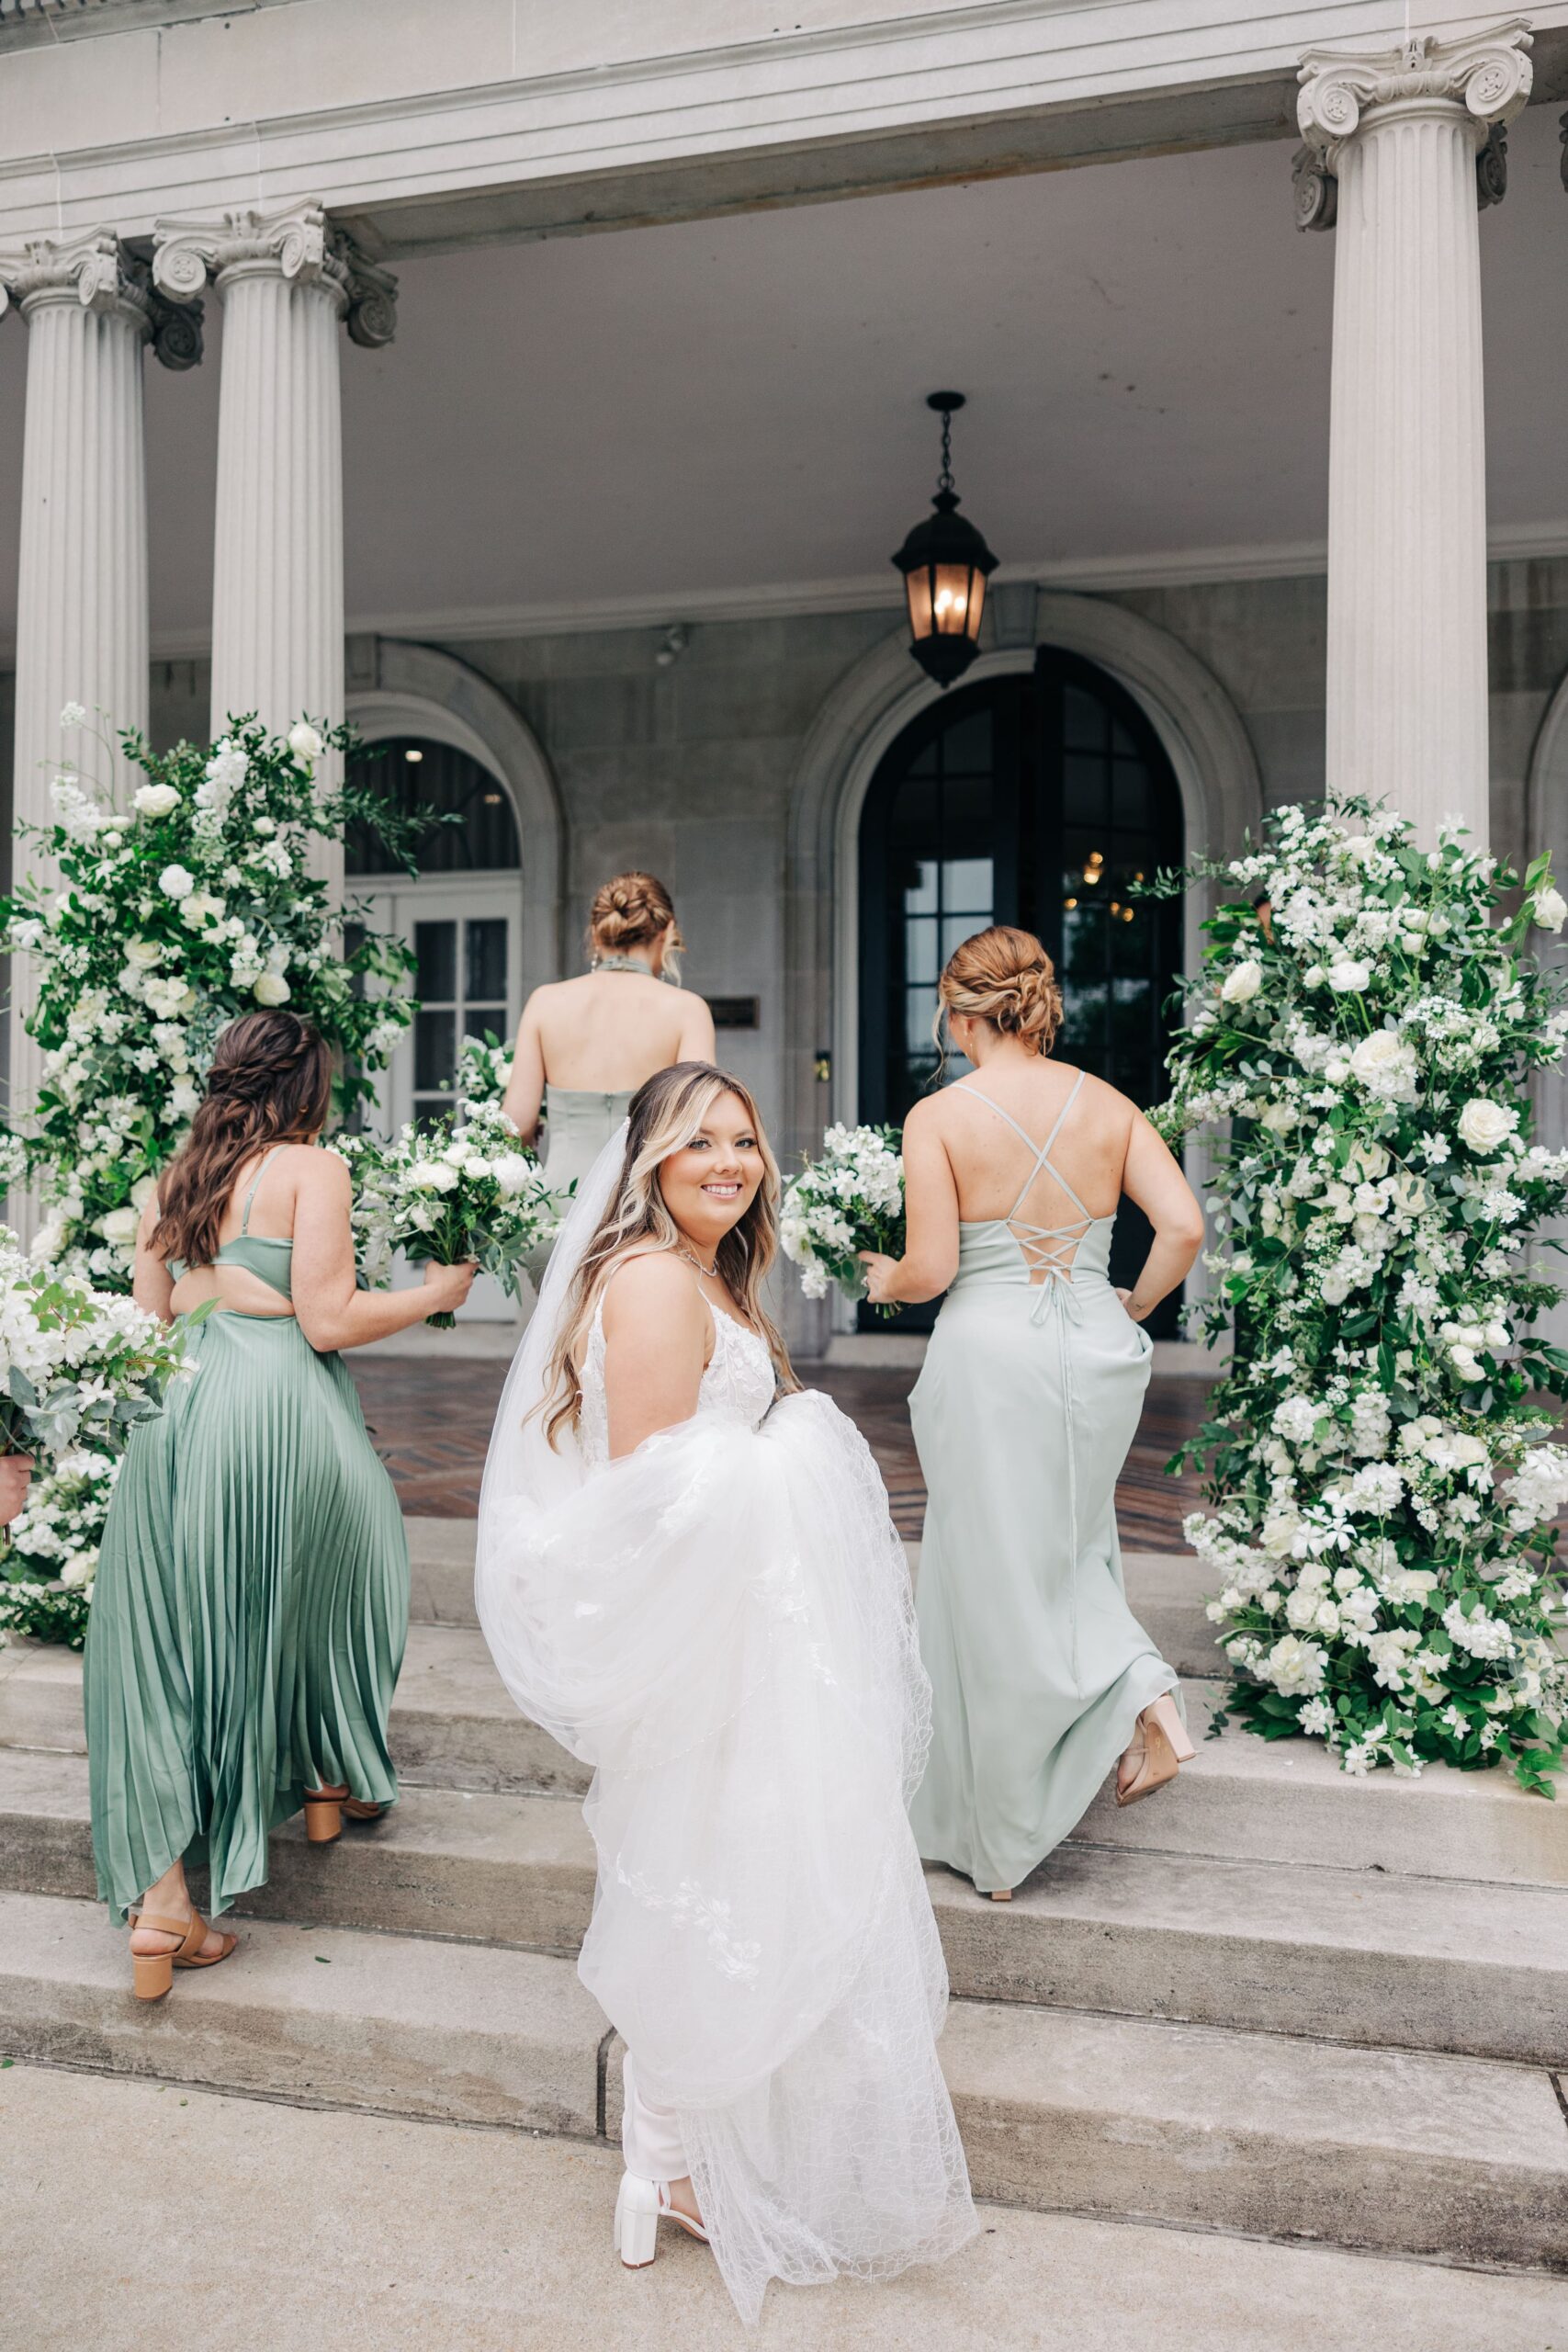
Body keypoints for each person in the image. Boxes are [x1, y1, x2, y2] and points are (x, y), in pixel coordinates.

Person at [475, 1062, 975, 2325]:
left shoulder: (703, 1277)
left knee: (720, 1890)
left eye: (743, 1142)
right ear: (645, 1157)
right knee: (693, 1891)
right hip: (706, 1653)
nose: (726, 1161)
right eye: (698, 1141)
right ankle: (664, 2164)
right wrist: (793, 1466)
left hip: (749, 1642)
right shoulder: (649, 1281)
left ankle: (678, 2161)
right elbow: (655, 1499)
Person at [84, 1010, 477, 2000]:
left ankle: (165, 1897)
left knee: (163, 1635)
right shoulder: (313, 1169)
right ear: (305, 1087)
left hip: (169, 1405)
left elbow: (147, 1314)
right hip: (270, 1401)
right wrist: (437, 1293)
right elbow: (329, 1317)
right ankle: (328, 1775)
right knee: (358, 1560)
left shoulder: (174, 1176)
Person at [860, 927, 1206, 1902]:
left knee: (991, 1575)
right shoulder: (1108, 1104)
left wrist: (879, 1275)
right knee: (1069, 1547)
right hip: (1094, 1346)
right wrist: (1133, 1303)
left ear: (959, 1010)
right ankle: (1130, 1702)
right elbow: (1182, 1225)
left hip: (992, 1355)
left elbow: (930, 1270)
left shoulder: (940, 1116)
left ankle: (1011, 1829)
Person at [502, 872, 715, 1279]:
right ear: (667, 931)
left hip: (558, 1212)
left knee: (565, 1341)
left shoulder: (546, 1003)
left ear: (596, 934)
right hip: (646, 1211)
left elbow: (516, 1124)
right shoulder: (687, 1010)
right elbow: (697, 1127)